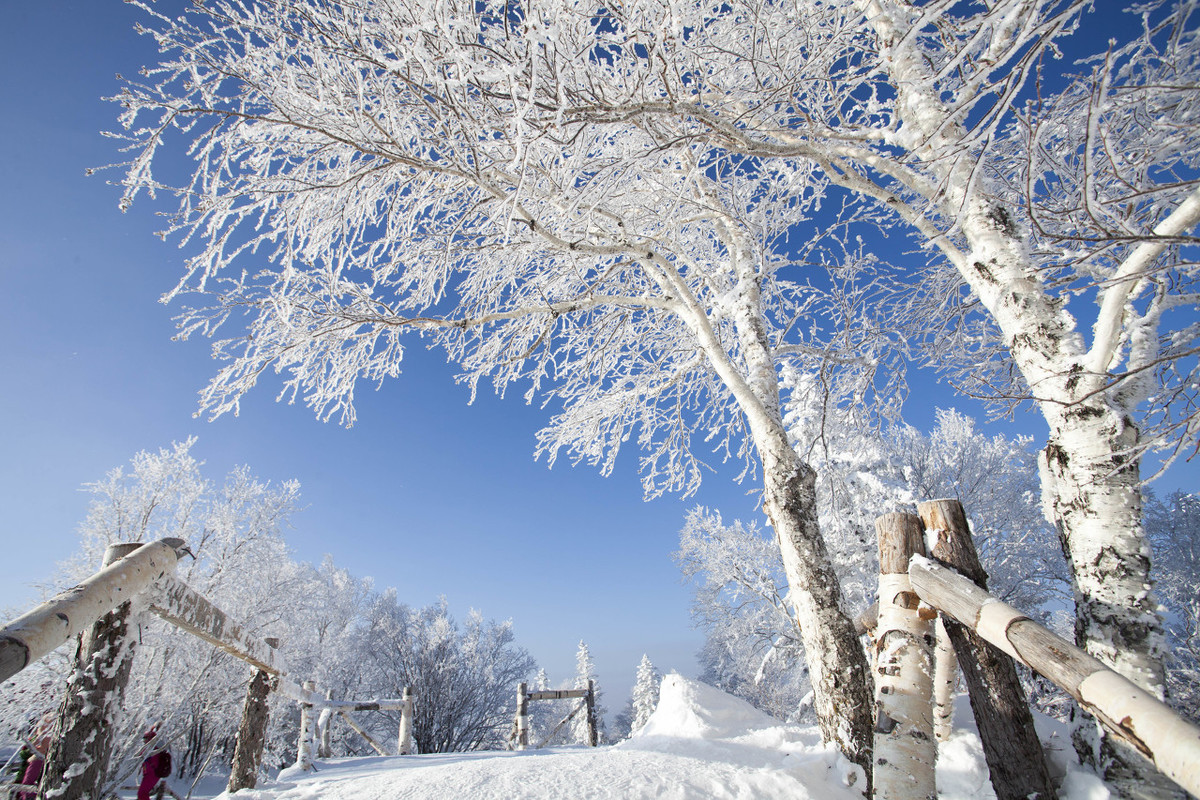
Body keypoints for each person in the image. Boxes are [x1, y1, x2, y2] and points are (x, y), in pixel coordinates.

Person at [137, 730, 172, 800]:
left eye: (145, 739)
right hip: (149, 775)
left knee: (142, 793)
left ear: (150, 739)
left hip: (151, 775)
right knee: (142, 793)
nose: (144, 741)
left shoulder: (153, 750)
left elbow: (142, 757)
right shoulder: (152, 749)